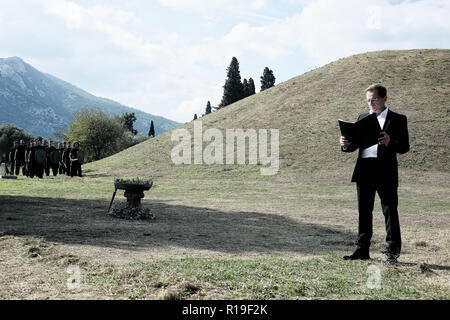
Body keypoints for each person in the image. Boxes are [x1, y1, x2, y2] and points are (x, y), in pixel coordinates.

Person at [340, 84, 410, 265]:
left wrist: (389, 142)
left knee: (390, 212)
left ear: (384, 98)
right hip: (364, 171)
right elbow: (355, 145)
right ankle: (362, 250)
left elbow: (404, 147)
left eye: (374, 99)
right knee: (364, 212)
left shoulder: (398, 119)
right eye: (368, 100)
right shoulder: (363, 118)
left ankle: (392, 253)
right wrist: (346, 144)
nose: (370, 103)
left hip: (386, 173)